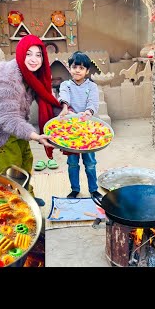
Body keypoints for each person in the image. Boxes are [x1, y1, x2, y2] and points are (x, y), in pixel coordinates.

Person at [0, 34, 61, 196]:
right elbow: (7, 118)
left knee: (25, 161)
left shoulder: (33, 75)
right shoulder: (5, 77)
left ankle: (27, 197)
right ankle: (12, 208)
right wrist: (36, 136)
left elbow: (46, 97)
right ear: (20, 53)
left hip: (17, 124)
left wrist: (65, 112)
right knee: (7, 175)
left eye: (38, 55)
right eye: (28, 54)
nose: (34, 59)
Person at [57, 51, 102, 199]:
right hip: (71, 130)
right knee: (72, 163)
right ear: (69, 68)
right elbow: (64, 97)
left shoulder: (92, 87)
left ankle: (94, 189)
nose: (77, 70)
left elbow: (93, 103)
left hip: (87, 129)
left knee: (90, 163)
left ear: (87, 71)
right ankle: (75, 189)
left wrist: (88, 112)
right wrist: (65, 108)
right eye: (75, 67)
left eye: (81, 68)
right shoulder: (66, 85)